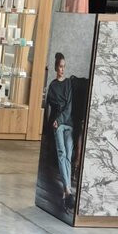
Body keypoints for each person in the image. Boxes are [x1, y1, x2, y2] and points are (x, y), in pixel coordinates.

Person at [46, 52, 74, 207]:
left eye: (64, 67)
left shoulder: (68, 83)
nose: (62, 70)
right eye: (60, 67)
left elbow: (68, 107)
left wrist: (59, 119)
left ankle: (66, 189)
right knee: (62, 154)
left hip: (68, 123)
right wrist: (52, 124)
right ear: (56, 67)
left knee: (68, 155)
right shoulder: (52, 86)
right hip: (57, 124)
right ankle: (68, 190)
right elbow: (50, 109)